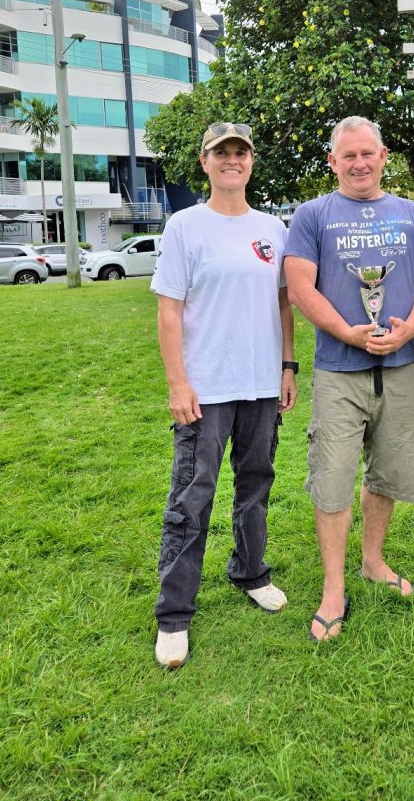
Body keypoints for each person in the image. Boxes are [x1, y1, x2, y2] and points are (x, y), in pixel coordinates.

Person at [285, 116, 414, 642]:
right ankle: (334, 587)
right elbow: (299, 287)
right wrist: (346, 333)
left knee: (389, 471)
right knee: (333, 477)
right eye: (348, 155)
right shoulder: (312, 215)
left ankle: (373, 561)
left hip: (399, 367)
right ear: (333, 161)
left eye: (367, 153)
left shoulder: (413, 215)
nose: (359, 163)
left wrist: (410, 329)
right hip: (339, 370)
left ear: (383, 156)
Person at [151, 121, 298, 669]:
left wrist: (287, 366)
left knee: (255, 485)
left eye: (241, 152)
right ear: (205, 162)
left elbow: (283, 303)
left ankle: (251, 572)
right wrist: (178, 382)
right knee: (192, 496)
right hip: (206, 387)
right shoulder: (185, 226)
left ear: (251, 161)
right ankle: (174, 613)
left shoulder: (272, 227)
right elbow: (169, 310)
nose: (232, 160)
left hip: (260, 382)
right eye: (221, 153)